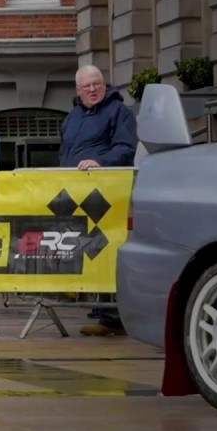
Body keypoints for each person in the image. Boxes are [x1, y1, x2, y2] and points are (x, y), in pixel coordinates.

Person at [59, 64, 138, 336]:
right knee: (87, 247)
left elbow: (125, 149)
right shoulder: (72, 117)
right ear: (78, 90)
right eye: (87, 86)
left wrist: (100, 162)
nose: (93, 89)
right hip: (76, 192)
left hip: (104, 193)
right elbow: (65, 151)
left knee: (105, 248)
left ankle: (111, 315)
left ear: (105, 85)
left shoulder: (119, 113)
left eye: (97, 84)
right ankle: (99, 308)